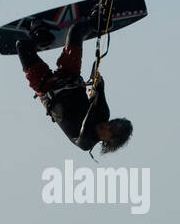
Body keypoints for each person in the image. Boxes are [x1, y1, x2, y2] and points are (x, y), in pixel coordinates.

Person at [16, 17, 133, 154]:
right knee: (76, 31)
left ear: (109, 140)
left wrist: (96, 97)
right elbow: (100, 86)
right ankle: (97, 19)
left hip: (46, 87)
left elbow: (87, 123)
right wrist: (98, 82)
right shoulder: (103, 113)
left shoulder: (86, 142)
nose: (107, 126)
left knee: (22, 46)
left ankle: (41, 37)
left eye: (110, 130)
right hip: (69, 75)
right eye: (111, 123)